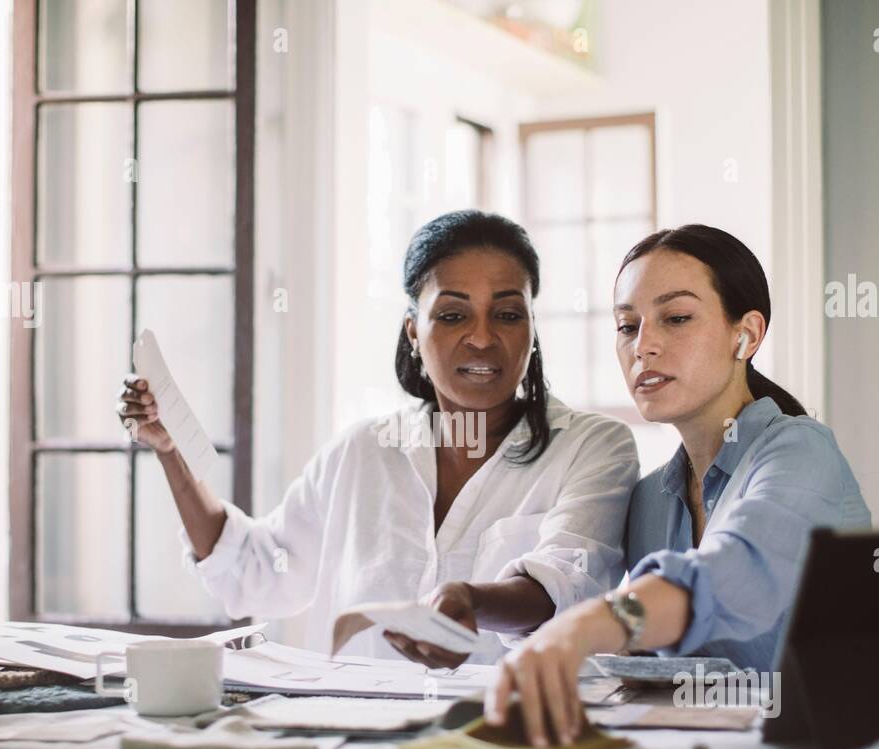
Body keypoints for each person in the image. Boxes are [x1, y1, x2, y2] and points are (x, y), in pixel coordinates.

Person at [117, 210, 641, 662]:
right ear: (415, 331)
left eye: (507, 314)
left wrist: (471, 601)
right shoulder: (360, 452)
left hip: (508, 741)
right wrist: (171, 453)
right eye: (453, 314)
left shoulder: (592, 448)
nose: (483, 338)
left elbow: (567, 586)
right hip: (353, 744)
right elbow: (255, 570)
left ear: (530, 326)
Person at [488, 224, 871, 744]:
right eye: (627, 326)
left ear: (747, 334)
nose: (644, 346)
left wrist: (583, 629)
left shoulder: (801, 452)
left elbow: (733, 573)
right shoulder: (648, 500)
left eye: (677, 318)